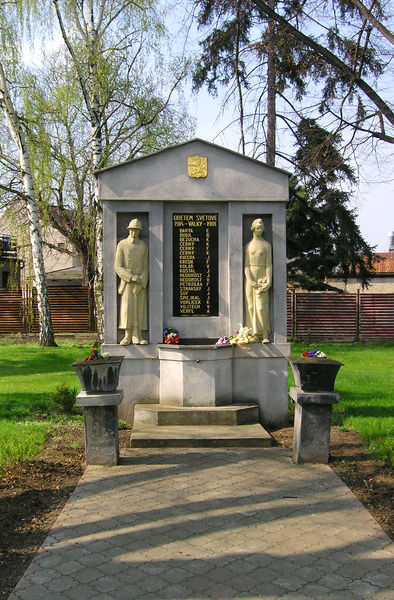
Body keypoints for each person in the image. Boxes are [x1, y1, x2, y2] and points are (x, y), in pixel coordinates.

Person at [115, 219, 148, 345]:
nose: (134, 232)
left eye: (137, 230)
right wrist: (131, 277)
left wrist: (141, 282)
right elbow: (118, 267)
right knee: (127, 308)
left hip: (140, 282)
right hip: (127, 282)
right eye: (132, 229)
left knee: (139, 308)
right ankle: (127, 335)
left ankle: (137, 333)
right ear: (129, 230)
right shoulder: (122, 245)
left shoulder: (144, 246)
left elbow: (146, 267)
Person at [244, 218, 272, 343]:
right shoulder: (248, 246)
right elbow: (246, 266)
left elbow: (268, 265)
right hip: (250, 278)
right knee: (250, 307)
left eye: (261, 228)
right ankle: (254, 333)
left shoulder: (266, 245)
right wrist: (250, 280)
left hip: (262, 278)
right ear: (253, 229)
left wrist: (269, 281)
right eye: (257, 228)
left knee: (261, 308)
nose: (259, 230)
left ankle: (265, 333)